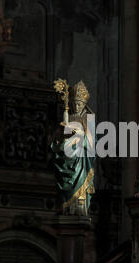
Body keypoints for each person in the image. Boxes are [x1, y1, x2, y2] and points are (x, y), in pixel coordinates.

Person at [50, 81, 95, 216]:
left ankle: (79, 210)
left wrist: (80, 135)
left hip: (81, 162)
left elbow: (92, 144)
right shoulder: (67, 117)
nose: (76, 106)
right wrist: (61, 137)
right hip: (67, 159)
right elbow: (56, 141)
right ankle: (67, 208)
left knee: (80, 188)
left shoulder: (89, 119)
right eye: (74, 103)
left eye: (79, 104)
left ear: (84, 104)